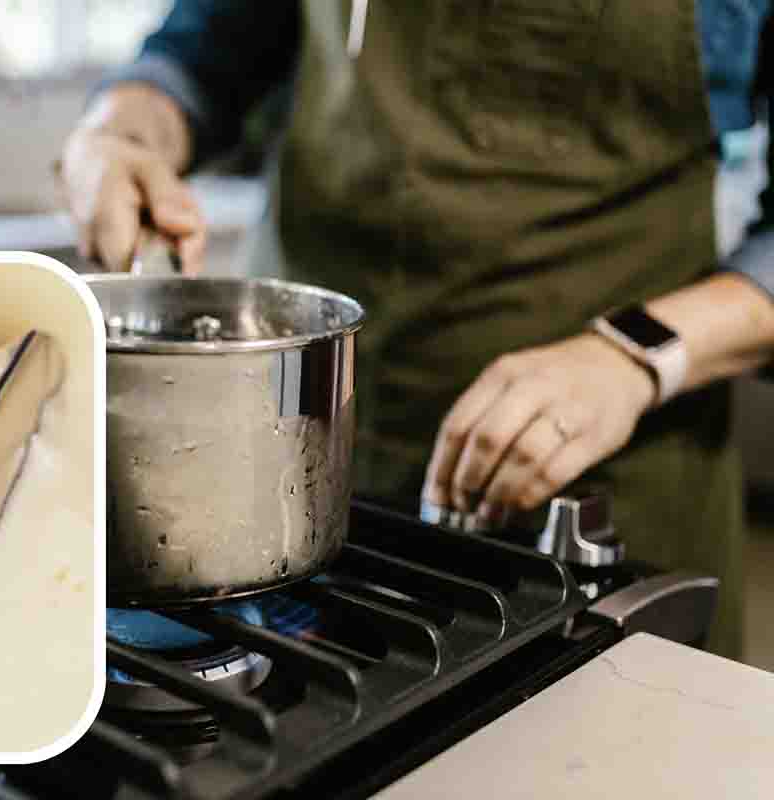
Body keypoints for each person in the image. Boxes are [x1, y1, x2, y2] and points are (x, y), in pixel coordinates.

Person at [57, 0, 774, 660]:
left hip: (596, 489)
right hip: (278, 455)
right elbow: (207, 46)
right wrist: (116, 135)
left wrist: (632, 357)